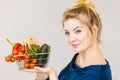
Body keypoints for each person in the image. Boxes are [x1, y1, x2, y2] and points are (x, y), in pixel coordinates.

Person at [20, 0, 112, 80]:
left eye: (78, 31)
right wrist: (40, 62)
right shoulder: (79, 58)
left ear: (94, 30)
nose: (71, 39)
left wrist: (52, 73)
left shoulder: (95, 75)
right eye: (67, 33)